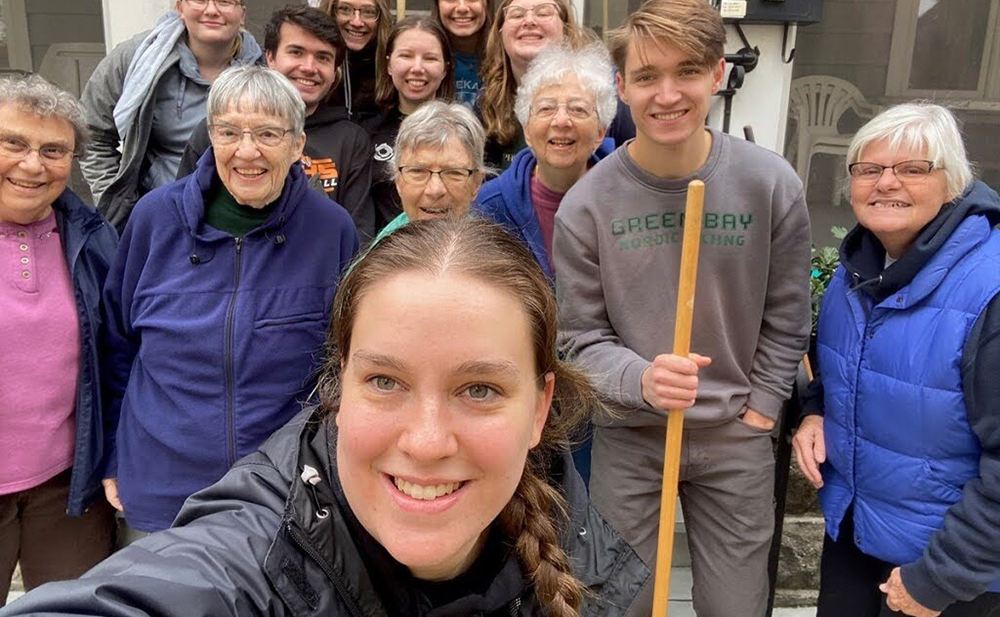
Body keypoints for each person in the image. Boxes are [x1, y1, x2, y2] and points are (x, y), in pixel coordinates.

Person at [0, 218, 650, 617]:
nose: (426, 441)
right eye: (386, 380)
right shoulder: (251, 557)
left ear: (539, 408)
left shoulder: (584, 550)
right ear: (338, 388)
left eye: (478, 388)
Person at [554, 0, 811, 617]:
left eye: (686, 72)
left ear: (717, 74)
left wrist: (763, 409)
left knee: (735, 606)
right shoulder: (587, 206)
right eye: (646, 77)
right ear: (622, 87)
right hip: (631, 435)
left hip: (734, 435)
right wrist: (641, 378)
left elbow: (788, 314)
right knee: (622, 604)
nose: (666, 94)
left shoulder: (769, 183)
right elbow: (578, 340)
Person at [99, 66, 359, 542]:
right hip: (161, 488)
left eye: (267, 133)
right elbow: (116, 346)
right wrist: (113, 454)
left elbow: (344, 361)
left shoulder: (331, 229)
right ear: (211, 136)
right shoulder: (154, 218)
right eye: (230, 132)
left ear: (298, 145)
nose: (247, 151)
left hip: (283, 491)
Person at [792, 103, 1000, 617]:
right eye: (869, 169)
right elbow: (844, 361)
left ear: (953, 182)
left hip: (954, 571)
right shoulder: (861, 269)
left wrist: (937, 579)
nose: (887, 183)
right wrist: (815, 409)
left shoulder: (988, 290)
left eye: (912, 169)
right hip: (860, 536)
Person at [0, 75, 118, 605]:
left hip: (67, 486)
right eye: (14, 144)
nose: (32, 165)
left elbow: (119, 354)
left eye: (53, 150)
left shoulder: (92, 237)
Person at [80, 0, 264, 232]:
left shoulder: (262, 71)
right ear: (180, 7)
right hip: (159, 218)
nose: (211, 10)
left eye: (224, 2)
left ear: (242, 13)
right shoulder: (136, 58)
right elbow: (90, 132)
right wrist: (119, 201)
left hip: (237, 221)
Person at [176, 5, 376, 241]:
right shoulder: (221, 129)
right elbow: (183, 211)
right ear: (270, 57)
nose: (309, 67)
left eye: (323, 57)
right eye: (296, 52)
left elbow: (358, 237)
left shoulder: (351, 140)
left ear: (335, 70)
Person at [476, 42, 615, 283]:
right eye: (546, 108)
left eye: (578, 109)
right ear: (527, 130)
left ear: (600, 132)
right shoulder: (491, 206)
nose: (561, 121)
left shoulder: (623, 198)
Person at [478, 0, 634, 171]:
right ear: (500, 32)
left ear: (566, 27)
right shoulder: (487, 102)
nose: (528, 21)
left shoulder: (607, 91)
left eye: (543, 13)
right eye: (517, 14)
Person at [365, 16, 455, 231]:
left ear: (445, 69)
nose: (417, 68)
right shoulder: (367, 133)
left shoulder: (464, 134)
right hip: (384, 253)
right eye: (406, 56)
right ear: (389, 65)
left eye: (430, 58)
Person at [374, 100, 485, 242]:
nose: (435, 190)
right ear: (397, 180)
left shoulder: (496, 260)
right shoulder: (376, 257)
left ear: (476, 183)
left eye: (453, 173)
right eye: (418, 172)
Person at [319, 0, 392, 123]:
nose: (357, 22)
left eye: (368, 12)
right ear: (330, 9)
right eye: (345, 9)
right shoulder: (314, 64)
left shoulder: (393, 65)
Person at [432, 0, 494, 108]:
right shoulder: (425, 59)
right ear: (437, 2)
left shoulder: (505, 58)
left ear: (487, 1)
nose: (461, 8)